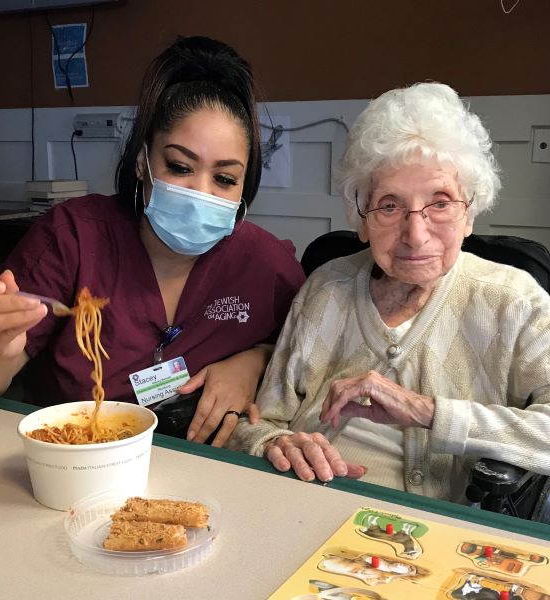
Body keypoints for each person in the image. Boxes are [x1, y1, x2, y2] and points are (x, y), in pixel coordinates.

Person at [0, 36, 306, 447]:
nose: (201, 194)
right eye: (179, 166)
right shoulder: (72, 237)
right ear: (143, 162)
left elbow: (306, 357)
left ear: (244, 188)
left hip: (202, 465)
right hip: (74, 461)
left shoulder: (266, 264)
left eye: (225, 179)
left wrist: (256, 361)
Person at [229, 82, 550, 501]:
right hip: (305, 504)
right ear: (361, 218)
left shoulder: (513, 301)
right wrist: (274, 444)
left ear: (469, 212)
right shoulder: (326, 289)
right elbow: (259, 421)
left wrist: (426, 411)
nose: (415, 236)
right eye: (389, 206)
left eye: (440, 203)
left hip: (436, 534)